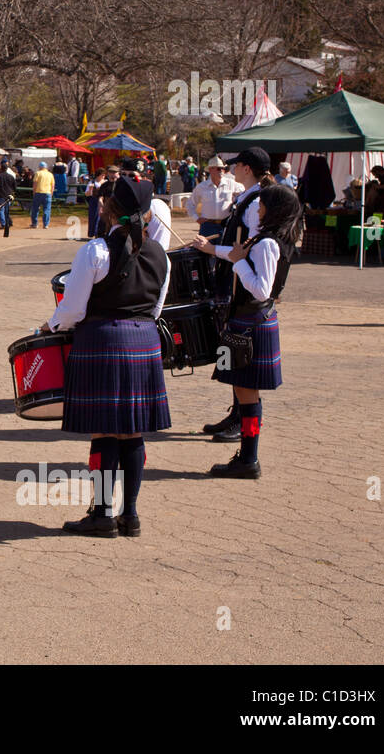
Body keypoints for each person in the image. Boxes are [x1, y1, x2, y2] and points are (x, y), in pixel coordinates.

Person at [45, 176, 170, 537]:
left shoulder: (94, 251)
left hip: (101, 342)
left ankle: (101, 513)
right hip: (144, 341)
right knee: (132, 431)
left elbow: (72, 310)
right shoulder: (162, 255)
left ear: (107, 208)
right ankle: (129, 515)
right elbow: (156, 309)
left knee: (103, 431)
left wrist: (50, 326)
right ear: (146, 216)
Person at [206, 184, 304, 479]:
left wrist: (238, 264)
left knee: (247, 396)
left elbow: (261, 289)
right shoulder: (270, 239)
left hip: (252, 321)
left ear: (273, 210)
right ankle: (247, 455)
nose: (257, 210)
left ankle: (249, 458)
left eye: (261, 206)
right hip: (253, 321)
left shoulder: (267, 244)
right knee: (246, 393)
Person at [191, 146, 273, 441]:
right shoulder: (248, 198)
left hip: (246, 294)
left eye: (236, 165)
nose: (232, 169)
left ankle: (245, 428)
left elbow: (246, 249)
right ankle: (239, 417)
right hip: (240, 287)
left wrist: (213, 249)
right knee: (236, 367)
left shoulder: (255, 203)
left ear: (247, 169)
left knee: (242, 369)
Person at [190, 155, 243, 239]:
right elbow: (190, 204)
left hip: (226, 225)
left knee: (224, 250)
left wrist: (236, 201)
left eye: (223, 168)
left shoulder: (231, 184)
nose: (222, 171)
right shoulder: (201, 187)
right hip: (207, 226)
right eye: (218, 168)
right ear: (210, 170)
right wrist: (196, 218)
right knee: (205, 251)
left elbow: (245, 192)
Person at [0, 160, 16, 237]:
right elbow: (14, 187)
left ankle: (3, 224)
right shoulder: (11, 177)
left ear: (1, 168)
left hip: (0, 195)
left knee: (0, 210)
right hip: (8, 195)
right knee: (6, 210)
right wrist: (12, 192)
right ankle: (6, 223)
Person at [30, 161, 54, 229]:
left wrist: (34, 192)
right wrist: (51, 193)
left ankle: (35, 223)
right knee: (47, 209)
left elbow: (35, 184)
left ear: (40, 167)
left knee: (35, 209)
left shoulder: (38, 173)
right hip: (47, 193)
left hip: (38, 192)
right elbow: (52, 185)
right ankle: (45, 224)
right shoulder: (50, 174)